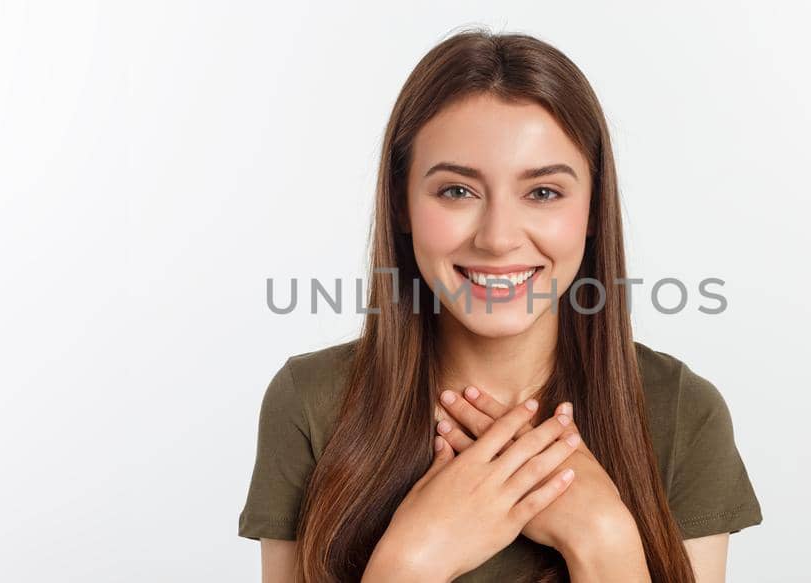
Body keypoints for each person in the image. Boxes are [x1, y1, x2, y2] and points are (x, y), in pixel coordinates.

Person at [239, 29, 762, 582]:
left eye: (542, 193)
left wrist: (606, 542)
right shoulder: (313, 402)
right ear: (401, 204)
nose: (498, 238)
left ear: (592, 210)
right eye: (457, 191)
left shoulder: (681, 413)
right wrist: (411, 563)